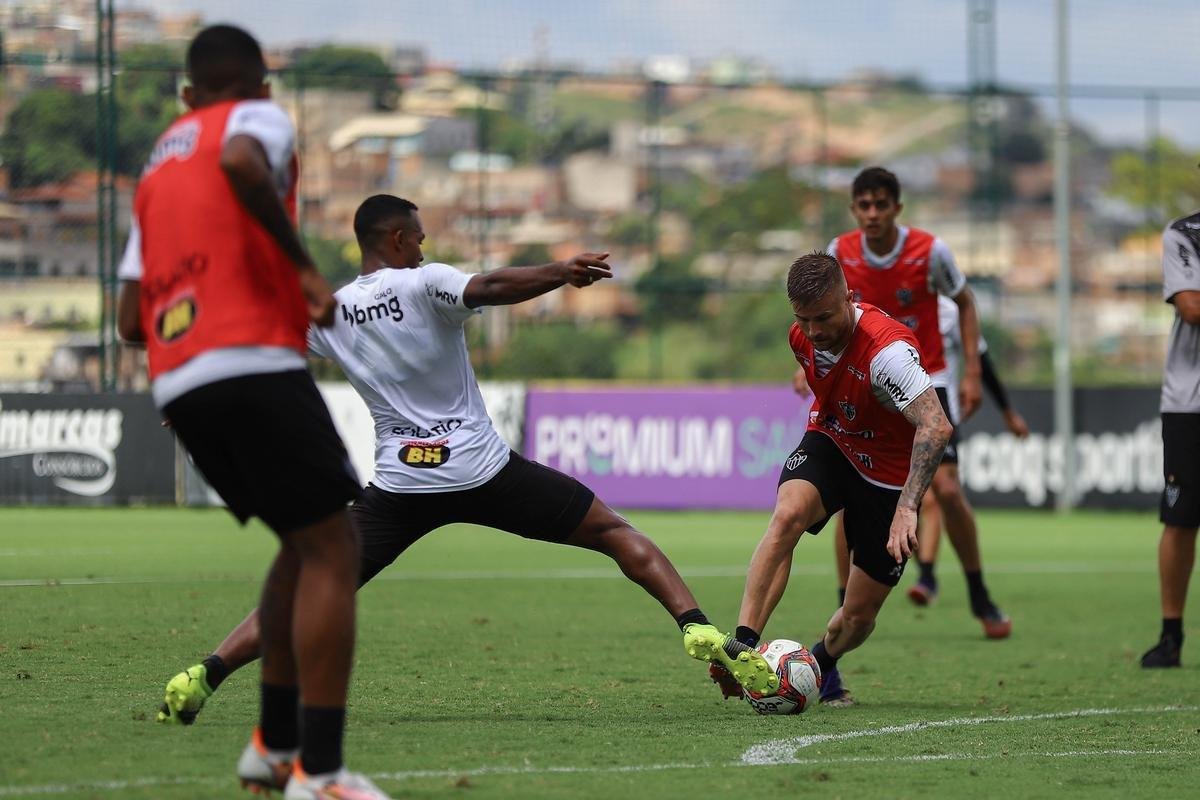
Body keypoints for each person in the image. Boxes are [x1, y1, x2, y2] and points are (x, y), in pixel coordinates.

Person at [156, 193, 776, 726]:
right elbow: (491, 287)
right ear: (396, 239)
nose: (424, 247)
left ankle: (207, 673)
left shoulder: (333, 311)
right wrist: (560, 272)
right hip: (482, 471)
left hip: (401, 485)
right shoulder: (424, 282)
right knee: (615, 533)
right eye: (419, 237)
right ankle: (696, 626)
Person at [115, 26, 390, 799]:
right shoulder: (255, 119)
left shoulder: (155, 166)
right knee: (336, 547)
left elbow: (130, 319)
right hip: (251, 360)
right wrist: (302, 270)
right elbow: (240, 162)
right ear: (262, 87)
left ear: (186, 95)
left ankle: (273, 748)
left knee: (303, 544)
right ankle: (321, 772)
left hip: (180, 378)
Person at [799, 167, 1011, 708]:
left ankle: (979, 593)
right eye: (863, 205)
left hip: (925, 381)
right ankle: (844, 610)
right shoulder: (838, 253)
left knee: (949, 490)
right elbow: (819, 323)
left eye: (881, 204)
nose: (872, 214)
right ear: (854, 210)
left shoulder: (930, 251)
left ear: (897, 207)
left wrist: (970, 371)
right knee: (850, 499)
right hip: (863, 383)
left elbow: (965, 302)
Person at [708, 251, 952, 703]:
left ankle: (819, 661)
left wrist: (907, 506)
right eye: (803, 319)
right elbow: (824, 371)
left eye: (823, 317)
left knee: (857, 619)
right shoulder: (800, 337)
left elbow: (936, 426)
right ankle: (742, 647)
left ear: (849, 298)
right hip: (835, 442)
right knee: (787, 516)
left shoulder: (888, 355)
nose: (814, 330)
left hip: (888, 477)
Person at [907, 296, 1029, 606]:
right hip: (898, 410)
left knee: (942, 492)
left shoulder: (951, 311)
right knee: (912, 502)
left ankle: (932, 578)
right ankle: (923, 569)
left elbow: (982, 361)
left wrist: (1008, 412)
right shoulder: (887, 300)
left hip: (941, 409)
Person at [1141, 205, 1200, 668]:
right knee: (1180, 519)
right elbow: (1191, 306)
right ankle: (1171, 636)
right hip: (1190, 404)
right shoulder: (1185, 233)